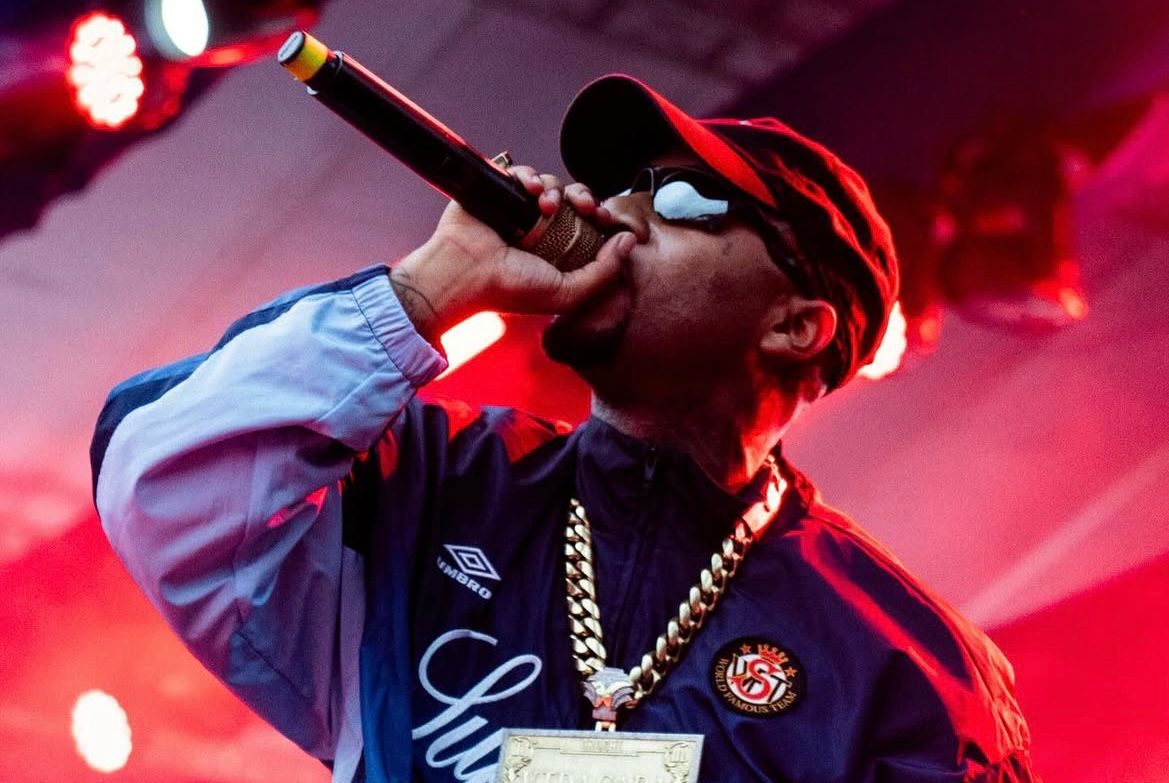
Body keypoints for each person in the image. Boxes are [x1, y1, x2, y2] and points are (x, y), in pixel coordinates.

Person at [91, 75, 1038, 782]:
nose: (615, 214)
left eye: (680, 202)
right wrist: (425, 291)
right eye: (622, 187)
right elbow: (163, 481)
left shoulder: (900, 664)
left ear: (795, 326)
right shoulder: (432, 478)